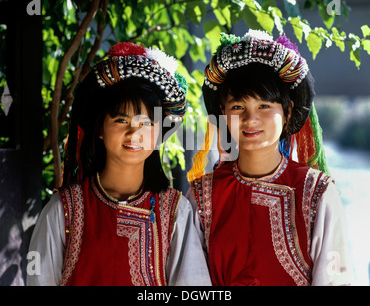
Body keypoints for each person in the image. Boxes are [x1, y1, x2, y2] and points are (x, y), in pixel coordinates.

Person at [27, 42, 211, 286]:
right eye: (121, 120)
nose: (134, 132)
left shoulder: (176, 212)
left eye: (145, 122)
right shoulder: (62, 210)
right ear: (100, 129)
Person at [186, 30, 353, 286]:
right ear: (223, 113)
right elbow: (190, 282)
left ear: (287, 112)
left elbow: (335, 281)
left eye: (264, 106)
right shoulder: (202, 195)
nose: (250, 119)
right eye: (238, 107)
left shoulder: (316, 193)